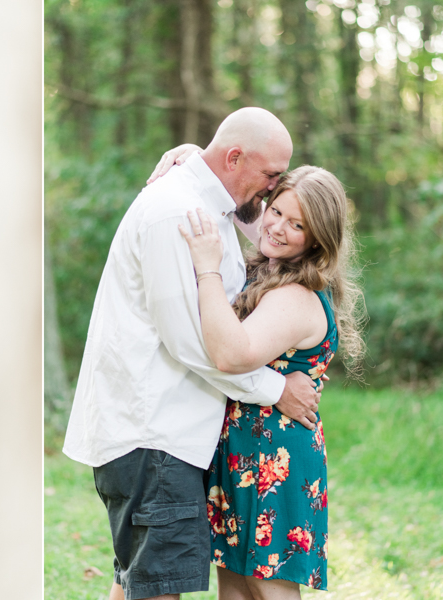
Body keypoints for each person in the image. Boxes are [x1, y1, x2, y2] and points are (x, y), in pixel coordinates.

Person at [62, 107, 323, 600]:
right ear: (234, 158)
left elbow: (286, 236)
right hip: (155, 435)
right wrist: (276, 389)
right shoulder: (177, 212)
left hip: (168, 436)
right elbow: (196, 343)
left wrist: (194, 158)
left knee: (140, 582)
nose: (270, 190)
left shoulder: (212, 209)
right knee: (158, 588)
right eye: (269, 176)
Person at [178, 165, 363, 598]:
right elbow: (245, 211)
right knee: (236, 584)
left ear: (317, 238)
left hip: (273, 459)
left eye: (297, 224)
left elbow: (232, 355)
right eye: (276, 211)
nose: (278, 228)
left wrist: (208, 270)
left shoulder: (295, 297)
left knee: (267, 584)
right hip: (241, 452)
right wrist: (194, 157)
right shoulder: (276, 268)